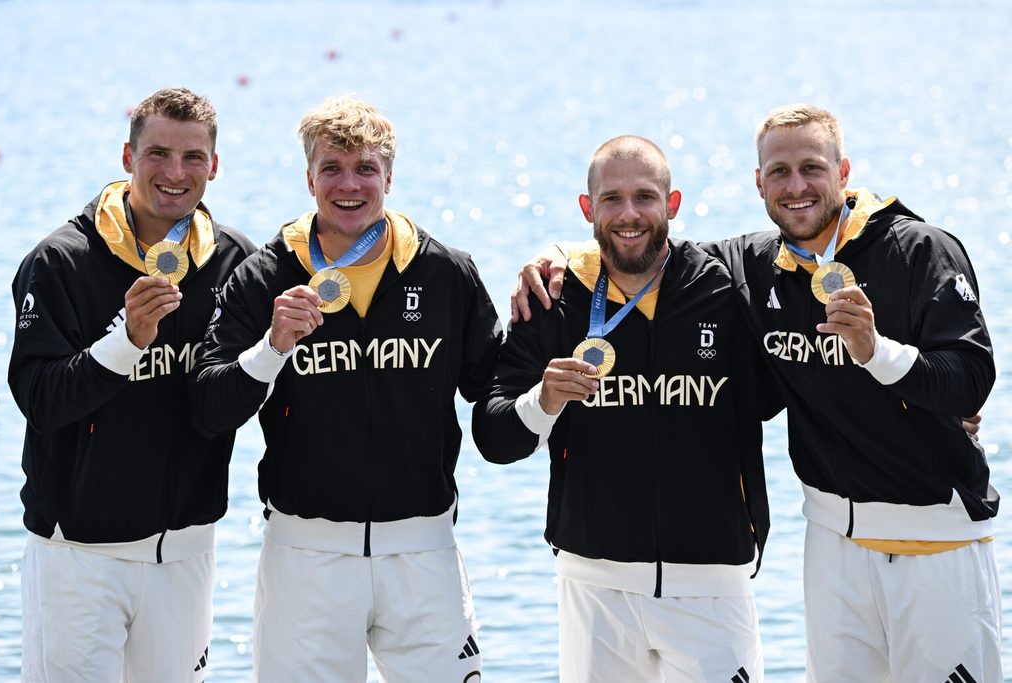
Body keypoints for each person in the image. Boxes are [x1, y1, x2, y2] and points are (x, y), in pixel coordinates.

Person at [514, 105, 1001, 682]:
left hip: (935, 539)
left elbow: (972, 378)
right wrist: (562, 255)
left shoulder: (918, 249)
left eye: (812, 168)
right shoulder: (752, 265)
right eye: (779, 172)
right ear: (759, 182)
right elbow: (648, 247)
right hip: (832, 544)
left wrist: (877, 351)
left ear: (843, 172)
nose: (796, 187)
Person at [189, 95, 501, 682]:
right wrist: (272, 347)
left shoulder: (446, 273)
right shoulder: (263, 276)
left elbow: (497, 400)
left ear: (390, 176)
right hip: (304, 555)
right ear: (309, 178)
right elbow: (208, 407)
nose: (348, 184)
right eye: (332, 168)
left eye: (365, 168)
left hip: (423, 551)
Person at [472, 135, 776, 682]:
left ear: (673, 204)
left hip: (712, 579)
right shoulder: (552, 297)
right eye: (611, 199)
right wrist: (543, 402)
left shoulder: (728, 283)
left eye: (645, 196)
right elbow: (493, 437)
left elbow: (812, 239)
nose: (629, 214)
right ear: (587, 210)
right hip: (595, 580)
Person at [9, 87, 256, 682]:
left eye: (193, 157)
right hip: (79, 555)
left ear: (215, 166)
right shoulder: (60, 261)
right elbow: (41, 402)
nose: (175, 173)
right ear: (127, 157)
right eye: (158, 154)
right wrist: (127, 340)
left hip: (187, 550)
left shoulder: (237, 261)